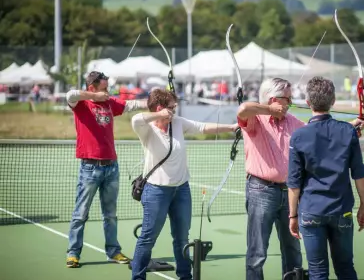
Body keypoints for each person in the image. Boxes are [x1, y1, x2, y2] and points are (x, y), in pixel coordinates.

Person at [236, 77, 364, 280]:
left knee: (293, 250)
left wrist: (350, 128)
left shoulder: (292, 122)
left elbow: (317, 131)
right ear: (272, 99)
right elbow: (243, 108)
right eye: (286, 99)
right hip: (261, 190)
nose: (290, 102)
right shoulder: (255, 120)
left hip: (289, 192)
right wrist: (270, 111)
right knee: (257, 251)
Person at [130, 88, 238, 280]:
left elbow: (203, 127)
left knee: (181, 239)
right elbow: (136, 119)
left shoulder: (177, 123)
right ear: (160, 108)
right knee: (147, 238)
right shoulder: (147, 128)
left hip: (181, 190)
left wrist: (231, 127)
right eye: (172, 107)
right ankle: (138, 277)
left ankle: (185, 276)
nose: (175, 110)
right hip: (156, 191)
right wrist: (159, 115)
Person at [287, 76, 364, 280]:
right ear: (333, 101)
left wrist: (292, 215)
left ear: (308, 103)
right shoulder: (348, 132)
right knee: (345, 268)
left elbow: (294, 183)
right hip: (341, 210)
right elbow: (358, 173)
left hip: (311, 211)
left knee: (318, 272)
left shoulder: (298, 136)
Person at [65, 71, 147, 268]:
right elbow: (70, 95)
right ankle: (73, 253)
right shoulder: (82, 103)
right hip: (90, 167)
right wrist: (94, 97)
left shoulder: (110, 103)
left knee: (110, 214)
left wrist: (156, 101)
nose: (107, 91)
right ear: (92, 87)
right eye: (104, 87)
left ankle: (114, 252)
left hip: (111, 166)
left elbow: (133, 104)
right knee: (80, 213)